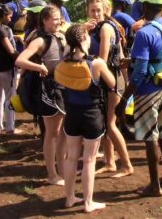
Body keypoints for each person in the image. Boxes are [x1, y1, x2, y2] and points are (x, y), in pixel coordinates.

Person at [116, 0, 162, 197]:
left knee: (149, 138)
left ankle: (154, 185)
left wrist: (125, 98)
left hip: (147, 91)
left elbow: (140, 71)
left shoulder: (144, 33)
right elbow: (160, 55)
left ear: (145, 5)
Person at [62, 24, 115, 213]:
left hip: (72, 114)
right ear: (84, 39)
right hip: (92, 114)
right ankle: (88, 202)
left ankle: (69, 198)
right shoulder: (96, 63)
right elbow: (112, 82)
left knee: (71, 158)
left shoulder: (64, 60)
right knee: (89, 160)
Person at [15, 5, 66, 185]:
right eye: (54, 19)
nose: (58, 21)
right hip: (48, 89)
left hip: (64, 88)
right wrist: (39, 67)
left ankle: (63, 169)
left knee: (63, 134)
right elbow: (20, 60)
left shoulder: (61, 36)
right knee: (52, 133)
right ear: (44, 21)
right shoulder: (39, 40)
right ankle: (52, 174)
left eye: (59, 18)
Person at [86, 0, 133, 178]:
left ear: (105, 10)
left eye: (99, 10)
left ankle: (127, 164)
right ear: (87, 11)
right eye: (92, 10)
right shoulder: (101, 27)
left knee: (110, 124)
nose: (96, 14)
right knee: (104, 122)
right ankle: (109, 161)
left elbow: (103, 59)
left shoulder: (106, 28)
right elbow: (121, 56)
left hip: (110, 79)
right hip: (110, 78)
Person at [0, 5, 18, 135]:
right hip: (5, 68)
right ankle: (10, 127)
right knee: (10, 97)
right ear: (4, 16)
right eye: (9, 16)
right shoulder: (2, 30)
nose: (11, 18)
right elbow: (10, 50)